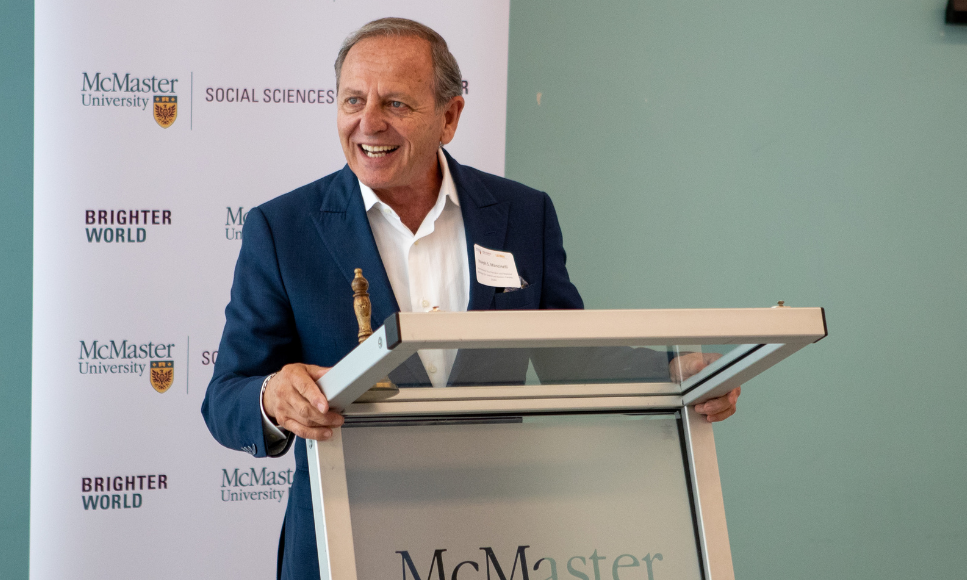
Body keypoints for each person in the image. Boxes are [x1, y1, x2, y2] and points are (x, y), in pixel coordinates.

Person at [201, 17, 741, 579]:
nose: (368, 122)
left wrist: (677, 374)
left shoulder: (522, 215)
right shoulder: (282, 228)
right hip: (344, 543)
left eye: (396, 104)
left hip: (491, 543)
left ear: (450, 116)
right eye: (353, 100)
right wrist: (272, 398)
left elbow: (570, 356)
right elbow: (225, 398)